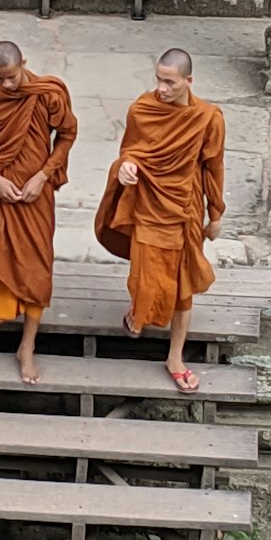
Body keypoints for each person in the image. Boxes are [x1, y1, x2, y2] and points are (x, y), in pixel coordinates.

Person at [94, 48, 225, 393]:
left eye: (169, 82)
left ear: (188, 81)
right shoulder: (142, 109)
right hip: (149, 205)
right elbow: (131, 149)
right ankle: (138, 309)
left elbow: (213, 167)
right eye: (158, 79)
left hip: (185, 208)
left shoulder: (208, 118)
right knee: (146, 277)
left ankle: (175, 357)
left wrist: (217, 214)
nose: (162, 88)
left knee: (182, 286)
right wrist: (125, 167)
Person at [0, 40, 77, 384]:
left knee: (36, 270)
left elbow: (67, 134)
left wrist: (44, 175)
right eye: (0, 78)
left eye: (11, 77)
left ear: (24, 62)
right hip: (1, 193)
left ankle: (27, 346)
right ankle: (2, 305)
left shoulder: (47, 94)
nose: (7, 85)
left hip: (35, 196)